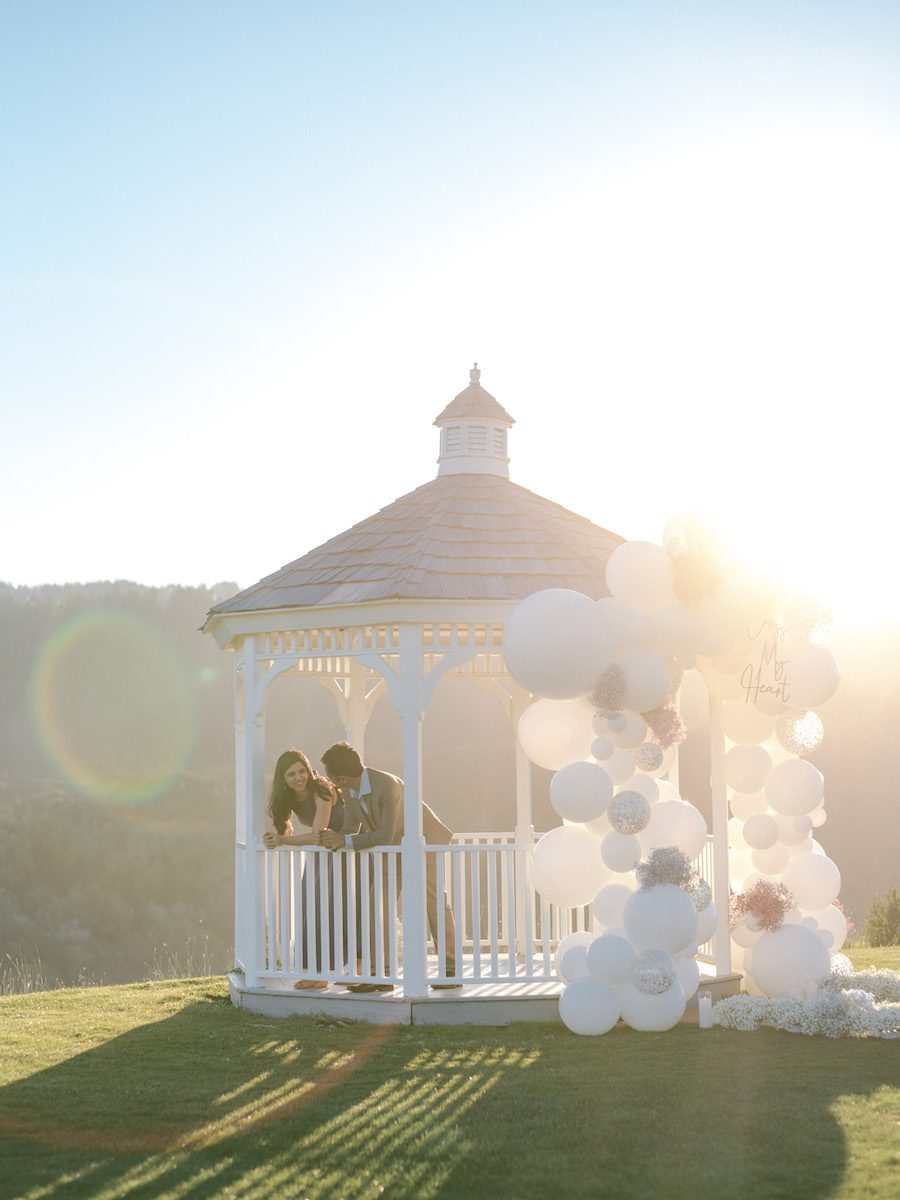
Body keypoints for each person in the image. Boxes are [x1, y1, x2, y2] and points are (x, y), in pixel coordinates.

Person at [319, 741, 460, 994]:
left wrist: (346, 841)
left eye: (331, 777)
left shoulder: (388, 786)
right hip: (391, 850)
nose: (330, 781)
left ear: (341, 776)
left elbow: (384, 834)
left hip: (423, 842)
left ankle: (450, 970)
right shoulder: (348, 792)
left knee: (434, 902)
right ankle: (380, 974)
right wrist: (334, 839)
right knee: (377, 905)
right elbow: (350, 830)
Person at [263, 749, 347, 990]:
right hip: (321, 853)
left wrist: (282, 841)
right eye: (291, 774)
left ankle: (327, 972)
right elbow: (289, 832)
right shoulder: (288, 798)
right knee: (309, 905)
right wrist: (275, 837)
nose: (298, 777)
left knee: (332, 908)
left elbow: (317, 835)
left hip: (342, 849)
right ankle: (315, 970)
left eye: (302, 771)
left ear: (309, 769)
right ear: (283, 779)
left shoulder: (321, 788)